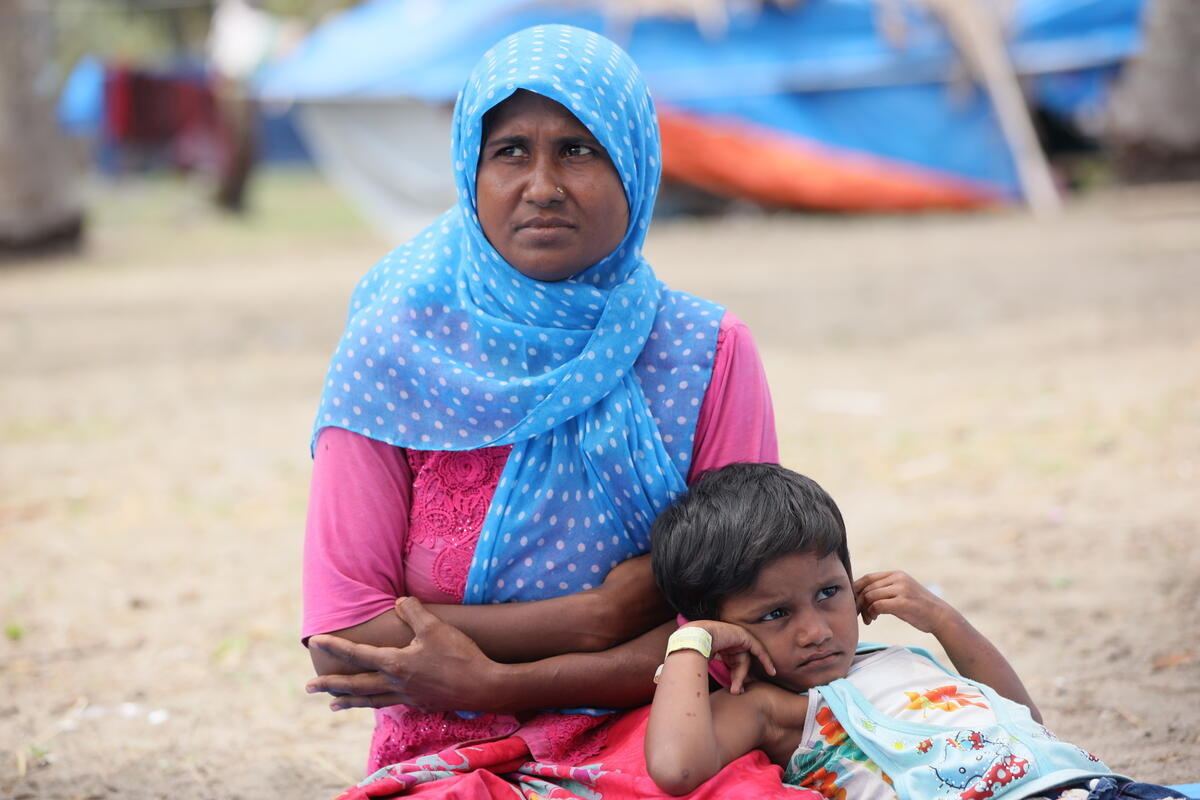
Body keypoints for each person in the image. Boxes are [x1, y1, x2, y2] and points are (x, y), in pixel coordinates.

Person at [301, 22, 779, 783]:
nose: (543, 185)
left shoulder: (707, 351)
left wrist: (496, 680)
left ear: (635, 165)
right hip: (452, 755)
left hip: (668, 734)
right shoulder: (394, 351)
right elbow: (345, 635)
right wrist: (592, 618)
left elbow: (749, 621)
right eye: (511, 151)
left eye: (579, 150)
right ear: (470, 170)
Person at [644, 462, 1188, 800]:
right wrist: (693, 642)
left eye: (828, 592)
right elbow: (675, 767)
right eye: (774, 614)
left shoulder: (897, 659)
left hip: (1095, 787)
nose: (814, 631)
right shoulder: (773, 709)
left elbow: (1026, 717)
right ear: (728, 629)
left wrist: (942, 620)